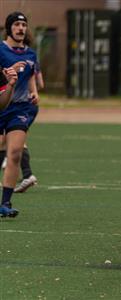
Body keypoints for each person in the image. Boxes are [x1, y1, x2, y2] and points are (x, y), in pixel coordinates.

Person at [0, 12, 40, 217]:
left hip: (20, 109)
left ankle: (5, 203)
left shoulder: (30, 54)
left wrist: (34, 93)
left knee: (15, 152)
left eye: (23, 25)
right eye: (16, 24)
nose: (21, 28)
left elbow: (32, 76)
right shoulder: (0, 50)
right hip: (0, 105)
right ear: (9, 28)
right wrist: (8, 72)